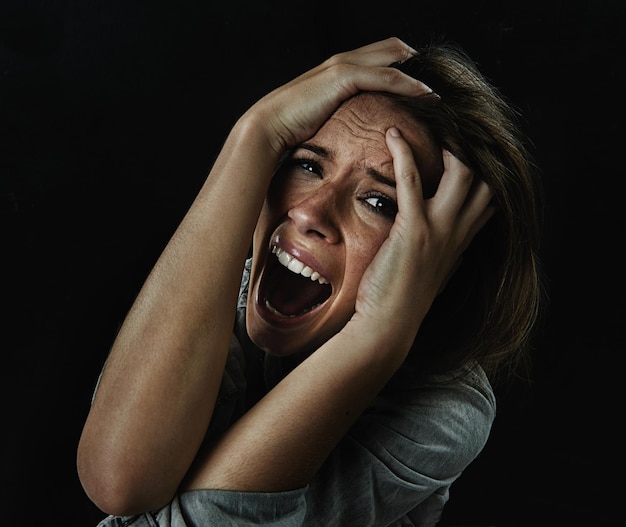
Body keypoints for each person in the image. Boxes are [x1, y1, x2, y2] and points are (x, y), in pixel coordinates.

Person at [77, 37, 543, 526]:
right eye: (306, 164)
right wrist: (257, 132)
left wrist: (377, 336)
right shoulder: (215, 296)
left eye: (379, 202)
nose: (308, 212)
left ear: (438, 263)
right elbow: (118, 482)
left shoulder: (446, 411)